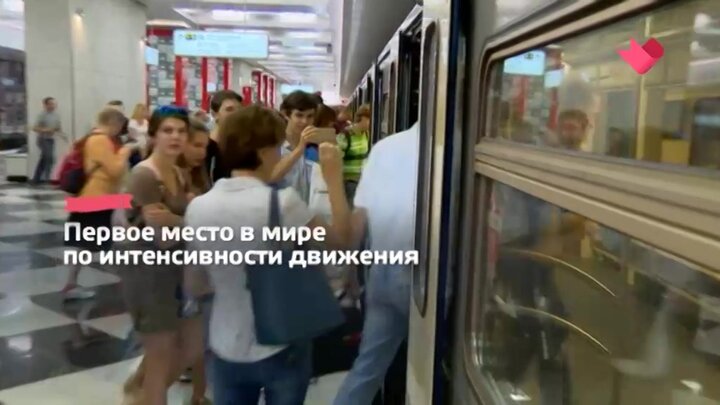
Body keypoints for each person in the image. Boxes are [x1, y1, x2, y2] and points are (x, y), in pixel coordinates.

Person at [183, 105, 350, 404]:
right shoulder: (284, 203)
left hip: (225, 345)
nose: (278, 154)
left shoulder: (198, 207)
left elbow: (196, 284)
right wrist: (334, 180)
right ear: (262, 152)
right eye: (276, 147)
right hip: (282, 339)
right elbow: (341, 244)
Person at [120, 105, 204, 405]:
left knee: (192, 346)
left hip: (179, 272)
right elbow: (163, 239)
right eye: (168, 130)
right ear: (153, 135)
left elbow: (178, 225)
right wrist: (189, 222)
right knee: (160, 355)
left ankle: (138, 396)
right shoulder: (144, 176)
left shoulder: (179, 173)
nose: (175, 137)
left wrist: (179, 220)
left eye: (181, 131)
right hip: (150, 274)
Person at [333, 121, 420, 405]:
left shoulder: (385, 147)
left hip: (380, 273)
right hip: (422, 280)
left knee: (368, 367)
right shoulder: (456, 150)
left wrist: (350, 271)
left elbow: (360, 216)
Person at [62, 108, 133, 300]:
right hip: (96, 200)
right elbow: (115, 170)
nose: (119, 131)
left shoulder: (94, 138)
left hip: (97, 199)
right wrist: (126, 151)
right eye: (120, 126)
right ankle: (72, 284)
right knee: (91, 244)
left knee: (89, 243)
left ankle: (71, 283)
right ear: (114, 123)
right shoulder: (100, 140)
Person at [206, 90, 243, 184]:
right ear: (214, 114)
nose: (236, 114)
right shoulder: (205, 147)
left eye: (239, 109)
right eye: (229, 109)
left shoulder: (242, 146)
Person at [337, 104, 371, 204]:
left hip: (362, 180)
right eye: (370, 119)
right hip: (349, 182)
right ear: (363, 118)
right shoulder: (345, 135)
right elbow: (336, 159)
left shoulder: (366, 134)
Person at [31, 97, 65, 184]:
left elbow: (58, 127)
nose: (52, 105)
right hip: (43, 139)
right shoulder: (42, 115)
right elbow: (35, 128)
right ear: (45, 105)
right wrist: (46, 130)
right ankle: (47, 179)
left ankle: (36, 179)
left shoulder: (56, 115)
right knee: (50, 158)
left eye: (53, 104)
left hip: (51, 139)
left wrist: (62, 135)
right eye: (50, 104)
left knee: (44, 159)